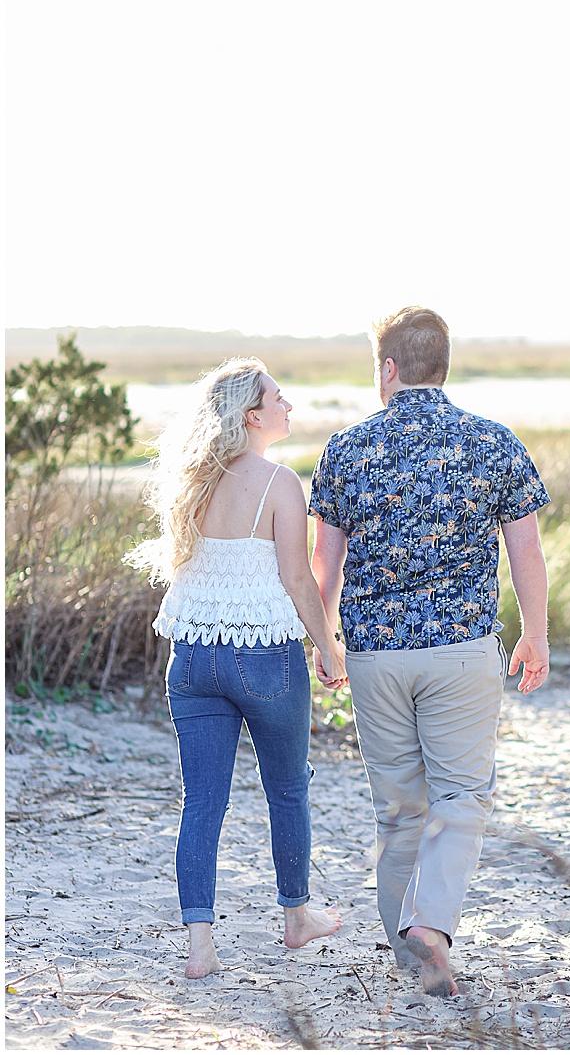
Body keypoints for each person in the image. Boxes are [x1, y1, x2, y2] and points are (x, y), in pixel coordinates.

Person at [308, 306, 551, 997]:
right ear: (442, 365)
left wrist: (324, 644)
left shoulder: (346, 449)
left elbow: (326, 565)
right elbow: (525, 548)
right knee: (463, 795)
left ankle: (412, 955)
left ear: (387, 369)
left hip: (377, 654)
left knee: (399, 809)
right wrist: (533, 633)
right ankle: (431, 929)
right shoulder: (493, 441)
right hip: (461, 650)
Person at [126, 357, 348, 980]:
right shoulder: (280, 483)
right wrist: (328, 647)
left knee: (202, 802)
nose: (289, 406)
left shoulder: (190, 483)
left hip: (192, 654)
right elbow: (298, 578)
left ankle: (201, 948)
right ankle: (297, 916)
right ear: (252, 415)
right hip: (264, 656)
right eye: (279, 398)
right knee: (287, 788)